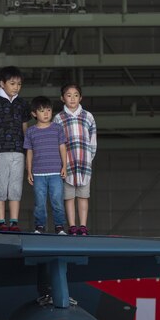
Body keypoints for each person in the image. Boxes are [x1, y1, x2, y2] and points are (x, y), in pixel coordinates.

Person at [0, 66, 31, 232]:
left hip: (19, 151)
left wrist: (28, 153)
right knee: (1, 187)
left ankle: (14, 222)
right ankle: (2, 222)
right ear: (2, 83)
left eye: (19, 84)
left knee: (16, 188)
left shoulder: (22, 104)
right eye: (12, 83)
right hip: (0, 151)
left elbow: (26, 130)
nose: (16, 87)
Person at [54, 84, 97, 236]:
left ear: (81, 97)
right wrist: (61, 163)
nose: (72, 98)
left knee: (83, 196)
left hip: (84, 163)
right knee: (69, 196)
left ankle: (83, 226)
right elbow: (57, 142)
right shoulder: (58, 118)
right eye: (68, 95)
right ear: (62, 98)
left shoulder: (88, 116)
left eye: (76, 95)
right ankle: (72, 226)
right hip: (67, 164)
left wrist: (89, 158)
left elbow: (93, 140)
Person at [24, 96, 68, 234]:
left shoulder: (57, 128)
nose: (46, 113)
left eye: (48, 110)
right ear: (34, 114)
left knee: (57, 201)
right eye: (42, 111)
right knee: (39, 203)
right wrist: (29, 171)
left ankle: (59, 226)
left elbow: (62, 148)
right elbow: (29, 152)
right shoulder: (31, 131)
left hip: (55, 172)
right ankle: (40, 226)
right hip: (38, 174)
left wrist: (64, 166)